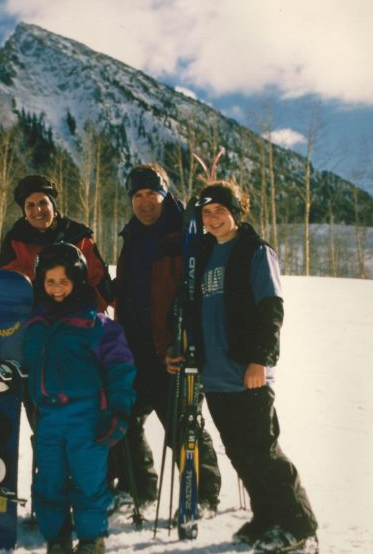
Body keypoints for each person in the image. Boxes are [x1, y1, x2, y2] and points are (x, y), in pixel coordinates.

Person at [166, 180, 318, 552]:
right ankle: (266, 516)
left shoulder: (255, 250)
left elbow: (271, 308)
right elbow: (188, 308)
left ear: (237, 211)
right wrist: (178, 346)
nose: (213, 218)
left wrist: (260, 360)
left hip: (247, 372)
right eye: (207, 213)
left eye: (220, 210)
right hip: (215, 374)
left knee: (263, 451)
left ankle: (299, 526)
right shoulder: (202, 255)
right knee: (238, 452)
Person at [109, 163, 221, 513]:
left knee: (181, 426)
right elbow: (131, 288)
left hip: (174, 351)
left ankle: (203, 494)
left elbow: (202, 293)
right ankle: (138, 488)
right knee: (123, 420)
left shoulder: (185, 233)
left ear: (165, 194)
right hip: (133, 349)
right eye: (138, 195)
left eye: (152, 194)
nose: (145, 202)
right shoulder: (133, 235)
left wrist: (189, 341)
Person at [23, 242, 136, 554]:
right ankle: (57, 539)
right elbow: (25, 362)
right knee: (49, 482)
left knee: (89, 482)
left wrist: (118, 411)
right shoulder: (35, 323)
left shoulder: (97, 324)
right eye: (50, 281)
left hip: (87, 418)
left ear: (78, 280)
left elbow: (121, 369)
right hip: (48, 418)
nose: (57, 288)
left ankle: (90, 539)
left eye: (64, 281)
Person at [0, 174, 113, 311]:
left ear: (53, 206)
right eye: (30, 205)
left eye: (43, 203)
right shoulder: (16, 239)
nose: (38, 210)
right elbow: (3, 283)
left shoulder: (78, 236)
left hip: (77, 315)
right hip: (30, 316)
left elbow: (100, 284)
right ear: (24, 212)